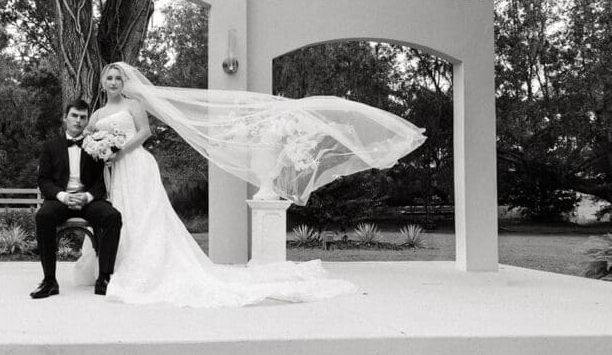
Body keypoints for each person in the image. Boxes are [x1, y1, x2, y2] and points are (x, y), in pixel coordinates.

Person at [72, 62, 426, 307]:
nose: (114, 83)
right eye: (110, 79)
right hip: (114, 174)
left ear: (125, 82)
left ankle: (147, 269)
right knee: (123, 218)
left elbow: (145, 133)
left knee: (147, 217)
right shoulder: (98, 114)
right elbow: (86, 139)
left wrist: (119, 150)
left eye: (118, 78)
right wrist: (99, 148)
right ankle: (113, 267)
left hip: (136, 166)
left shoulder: (135, 104)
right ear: (103, 83)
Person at [31, 99, 122, 299]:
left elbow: (101, 182)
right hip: (60, 201)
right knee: (43, 216)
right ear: (65, 118)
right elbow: (44, 180)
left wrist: (87, 196)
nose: (78, 121)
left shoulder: (96, 145)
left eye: (83, 117)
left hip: (88, 201)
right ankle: (49, 281)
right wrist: (63, 197)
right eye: (74, 116)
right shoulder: (50, 146)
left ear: (87, 120)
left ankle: (105, 278)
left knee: (112, 216)